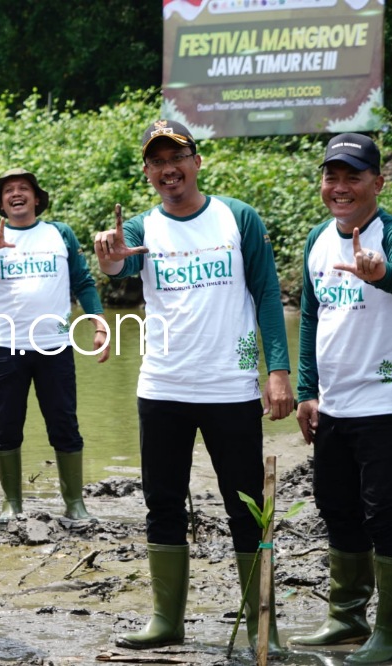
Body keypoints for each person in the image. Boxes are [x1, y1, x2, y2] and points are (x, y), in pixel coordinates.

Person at [94, 119, 294, 652]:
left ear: (197, 161)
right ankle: (167, 621)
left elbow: (267, 294)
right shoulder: (141, 228)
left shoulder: (237, 218)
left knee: (246, 505)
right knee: (161, 502)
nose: (168, 169)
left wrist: (277, 370)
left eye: (177, 158)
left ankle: (262, 625)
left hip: (231, 383)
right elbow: (116, 265)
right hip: (162, 384)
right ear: (147, 172)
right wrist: (108, 253)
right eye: (157, 162)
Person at [289, 133, 392, 664]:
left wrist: (383, 275)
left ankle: (390, 633)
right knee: (339, 509)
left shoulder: (390, 233)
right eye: (333, 175)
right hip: (335, 405)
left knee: (387, 516)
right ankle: (347, 617)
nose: (341, 186)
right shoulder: (317, 240)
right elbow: (311, 317)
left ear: (378, 181)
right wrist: (307, 391)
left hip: (385, 404)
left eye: (354, 175)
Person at [0, 168, 109, 524]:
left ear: (36, 197)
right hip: (6, 346)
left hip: (54, 345)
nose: (16, 194)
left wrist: (98, 321)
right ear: (1, 203)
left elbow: (83, 280)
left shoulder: (59, 233)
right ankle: (12, 504)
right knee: (7, 426)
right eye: (8, 191)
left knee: (64, 423)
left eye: (23, 189)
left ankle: (74, 503)